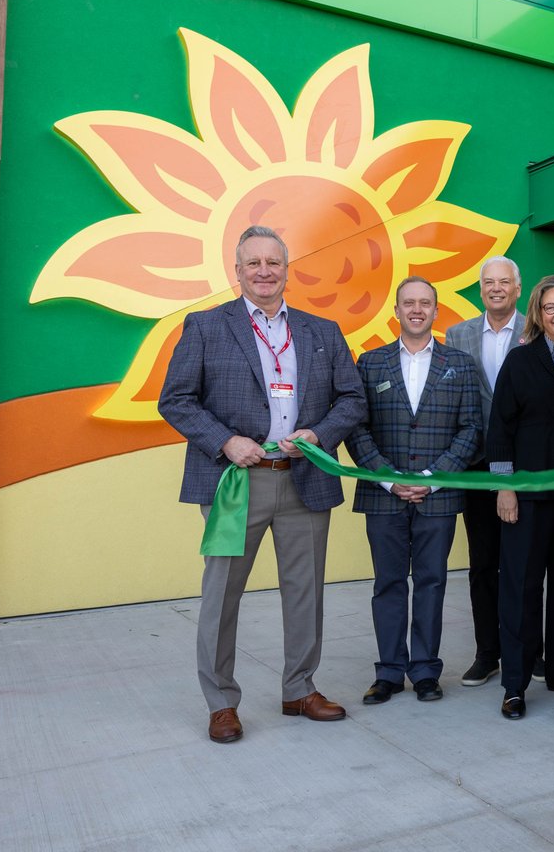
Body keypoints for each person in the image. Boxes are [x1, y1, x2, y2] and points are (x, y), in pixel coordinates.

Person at [159, 225, 367, 744]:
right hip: (234, 483)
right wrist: (226, 441)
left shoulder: (322, 331)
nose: (264, 271)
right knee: (221, 596)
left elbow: (353, 400)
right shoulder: (205, 327)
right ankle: (221, 703)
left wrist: (318, 434)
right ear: (238, 271)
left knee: (306, 593)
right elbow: (176, 399)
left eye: (273, 262)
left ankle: (300, 688)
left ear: (287, 269)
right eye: (253, 263)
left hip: (303, 480)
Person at [346, 277, 482, 706]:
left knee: (431, 582)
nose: (417, 310)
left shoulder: (460, 364)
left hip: (437, 495)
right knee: (387, 583)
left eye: (425, 303)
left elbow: (471, 428)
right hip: (383, 495)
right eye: (409, 303)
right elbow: (356, 427)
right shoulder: (370, 363)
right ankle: (388, 672)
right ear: (397, 311)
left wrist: (432, 476)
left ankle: (424, 671)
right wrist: (388, 477)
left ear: (436, 311)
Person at [487, 275, 554, 720]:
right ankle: (515, 683)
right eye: (550, 307)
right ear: (538, 313)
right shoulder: (521, 360)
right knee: (521, 589)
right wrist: (505, 486)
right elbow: (500, 427)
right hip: (526, 494)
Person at [443, 256, 527, 687]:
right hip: (476, 464)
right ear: (481, 289)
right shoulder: (457, 334)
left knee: (526, 565)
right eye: (488, 282)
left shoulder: (537, 329)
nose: (496, 288)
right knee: (482, 564)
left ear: (517, 288)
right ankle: (487, 652)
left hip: (526, 465)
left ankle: (529, 650)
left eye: (504, 282)